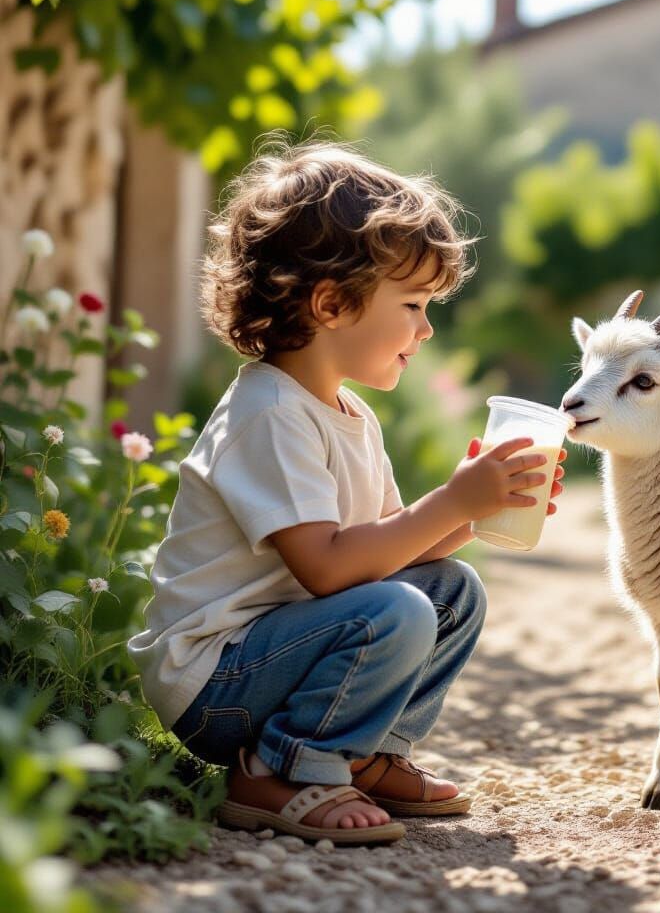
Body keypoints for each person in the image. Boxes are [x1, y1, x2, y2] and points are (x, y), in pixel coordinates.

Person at [127, 141, 566, 844]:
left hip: (283, 656)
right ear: (332, 303)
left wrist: (483, 506)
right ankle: (278, 773)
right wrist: (452, 500)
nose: (426, 330)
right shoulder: (269, 414)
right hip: (216, 683)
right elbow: (328, 568)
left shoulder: (348, 414)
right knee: (395, 610)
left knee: (451, 590)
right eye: (415, 305)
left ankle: (366, 756)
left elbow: (390, 548)